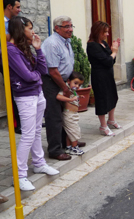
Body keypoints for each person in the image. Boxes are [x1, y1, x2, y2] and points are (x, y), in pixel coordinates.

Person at [6, 17, 59, 191]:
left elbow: (42, 71)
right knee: (28, 134)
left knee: (36, 131)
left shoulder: (24, 48)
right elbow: (28, 77)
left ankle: (39, 163)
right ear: (21, 30)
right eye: (30, 28)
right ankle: (19, 175)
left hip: (37, 93)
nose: (33, 32)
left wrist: (38, 50)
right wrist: (35, 79)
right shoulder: (10, 51)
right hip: (25, 96)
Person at [41, 16, 76, 160]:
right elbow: (53, 70)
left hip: (62, 81)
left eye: (71, 26)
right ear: (57, 28)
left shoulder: (66, 41)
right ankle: (55, 150)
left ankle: (66, 142)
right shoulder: (52, 43)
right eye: (66, 26)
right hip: (51, 81)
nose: (70, 29)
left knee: (65, 113)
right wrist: (65, 88)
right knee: (54, 116)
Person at [87, 21, 121, 135]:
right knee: (102, 99)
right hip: (99, 76)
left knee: (113, 96)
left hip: (108, 74)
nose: (107, 34)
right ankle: (103, 126)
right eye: (105, 32)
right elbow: (107, 61)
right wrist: (114, 52)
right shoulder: (92, 45)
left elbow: (112, 60)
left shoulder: (104, 43)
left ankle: (111, 120)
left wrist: (113, 50)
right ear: (97, 32)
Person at [2, 0, 22, 135]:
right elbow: (7, 39)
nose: (19, 10)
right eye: (17, 7)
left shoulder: (13, 22)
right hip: (4, 59)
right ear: (9, 6)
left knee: (18, 89)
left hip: (15, 57)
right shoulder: (3, 23)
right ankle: (17, 123)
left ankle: (23, 120)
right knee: (12, 90)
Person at [56, 71, 85, 155]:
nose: (77, 86)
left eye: (79, 85)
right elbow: (58, 96)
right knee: (74, 131)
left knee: (70, 132)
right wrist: (70, 100)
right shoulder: (66, 90)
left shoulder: (72, 91)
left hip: (74, 114)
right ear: (68, 81)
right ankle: (74, 148)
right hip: (69, 114)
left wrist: (79, 96)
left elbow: (74, 96)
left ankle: (68, 147)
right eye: (75, 83)